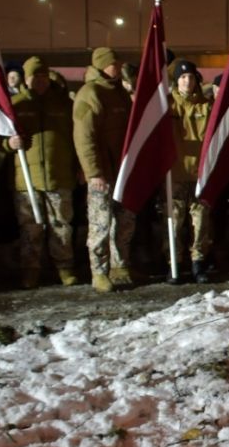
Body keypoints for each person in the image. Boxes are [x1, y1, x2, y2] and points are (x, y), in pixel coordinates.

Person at [8, 56, 78, 288]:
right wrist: (8, 144)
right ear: (25, 78)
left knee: (61, 225)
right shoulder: (15, 106)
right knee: (30, 229)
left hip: (59, 176)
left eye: (42, 75)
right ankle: (30, 269)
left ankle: (64, 267)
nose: (39, 80)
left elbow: (76, 138)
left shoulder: (63, 105)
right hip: (27, 180)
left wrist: (78, 168)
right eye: (34, 75)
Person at [73, 47, 135, 293]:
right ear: (101, 65)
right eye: (113, 64)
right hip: (102, 173)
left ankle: (120, 265)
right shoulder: (90, 94)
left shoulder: (119, 92)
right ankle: (99, 272)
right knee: (100, 224)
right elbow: (83, 137)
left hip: (122, 170)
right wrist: (93, 173)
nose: (118, 68)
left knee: (125, 221)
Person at [166, 60, 213, 283]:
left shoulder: (206, 106)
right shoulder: (166, 105)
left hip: (198, 176)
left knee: (200, 222)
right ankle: (173, 263)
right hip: (173, 175)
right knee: (174, 223)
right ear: (176, 81)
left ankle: (198, 263)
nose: (188, 81)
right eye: (183, 77)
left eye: (191, 77)